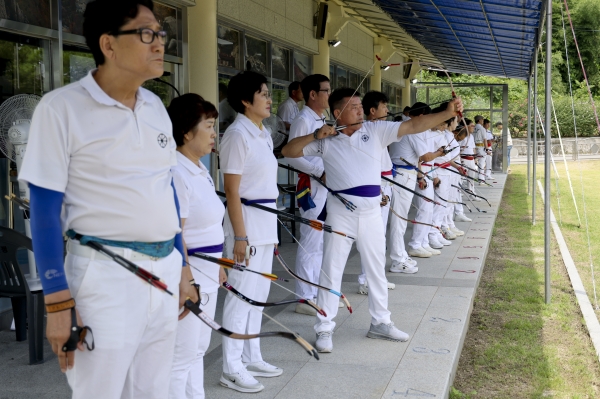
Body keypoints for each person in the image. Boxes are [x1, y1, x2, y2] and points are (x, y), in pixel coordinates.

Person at [19, 1, 198, 398]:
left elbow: (163, 189)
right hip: (105, 276)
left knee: (154, 391)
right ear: (109, 44)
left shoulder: (154, 107)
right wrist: (57, 302)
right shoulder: (61, 108)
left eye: (161, 34)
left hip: (165, 271)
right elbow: (45, 212)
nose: (159, 44)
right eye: (147, 33)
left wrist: (183, 267)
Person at [282, 88, 463, 353]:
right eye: (354, 107)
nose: (360, 110)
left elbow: (414, 124)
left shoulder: (376, 130)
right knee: (331, 269)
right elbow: (289, 151)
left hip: (370, 213)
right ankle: (324, 328)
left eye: (360, 106)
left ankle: (381, 322)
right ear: (337, 113)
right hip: (341, 213)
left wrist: (447, 112)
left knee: (376, 268)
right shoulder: (326, 140)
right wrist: (314, 135)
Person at [219, 70, 282, 393]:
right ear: (246, 101)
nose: (270, 99)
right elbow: (232, 190)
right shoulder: (236, 135)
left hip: (265, 223)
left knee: (259, 295)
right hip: (246, 224)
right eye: (264, 94)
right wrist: (240, 237)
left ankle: (251, 353)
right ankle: (230, 366)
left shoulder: (262, 132)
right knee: (241, 295)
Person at [167, 94, 228, 399]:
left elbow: (209, 226)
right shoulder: (177, 172)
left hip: (206, 273)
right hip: (188, 278)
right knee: (181, 356)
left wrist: (220, 265)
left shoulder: (199, 169)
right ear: (187, 133)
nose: (214, 133)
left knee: (198, 349)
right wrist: (186, 279)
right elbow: (174, 232)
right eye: (209, 126)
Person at [284, 74, 331, 316]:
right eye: (325, 90)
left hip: (324, 186)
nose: (329, 95)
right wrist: (318, 170)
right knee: (310, 242)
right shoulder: (303, 119)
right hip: (311, 186)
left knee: (318, 242)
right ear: (312, 94)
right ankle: (303, 297)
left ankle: (313, 290)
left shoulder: (322, 118)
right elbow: (292, 154)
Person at [389, 102, 444, 260]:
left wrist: (419, 175)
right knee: (399, 219)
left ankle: (401, 254)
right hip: (402, 174)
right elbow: (425, 156)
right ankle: (398, 258)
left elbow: (418, 157)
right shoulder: (411, 129)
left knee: (401, 218)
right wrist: (439, 153)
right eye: (427, 118)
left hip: (407, 173)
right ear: (421, 116)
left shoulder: (406, 127)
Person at [357, 91, 396, 294]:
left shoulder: (377, 129)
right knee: (372, 237)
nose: (387, 111)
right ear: (372, 111)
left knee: (379, 237)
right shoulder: (369, 130)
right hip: (377, 185)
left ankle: (375, 278)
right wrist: (379, 190)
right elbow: (367, 166)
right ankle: (366, 280)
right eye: (384, 107)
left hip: (385, 183)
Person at [473, 115, 487, 183]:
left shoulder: (473, 128)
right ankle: (481, 178)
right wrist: (487, 149)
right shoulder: (482, 129)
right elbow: (485, 139)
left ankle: (479, 177)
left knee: (475, 163)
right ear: (479, 120)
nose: (483, 121)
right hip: (480, 147)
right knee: (481, 163)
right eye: (482, 120)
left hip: (473, 148)